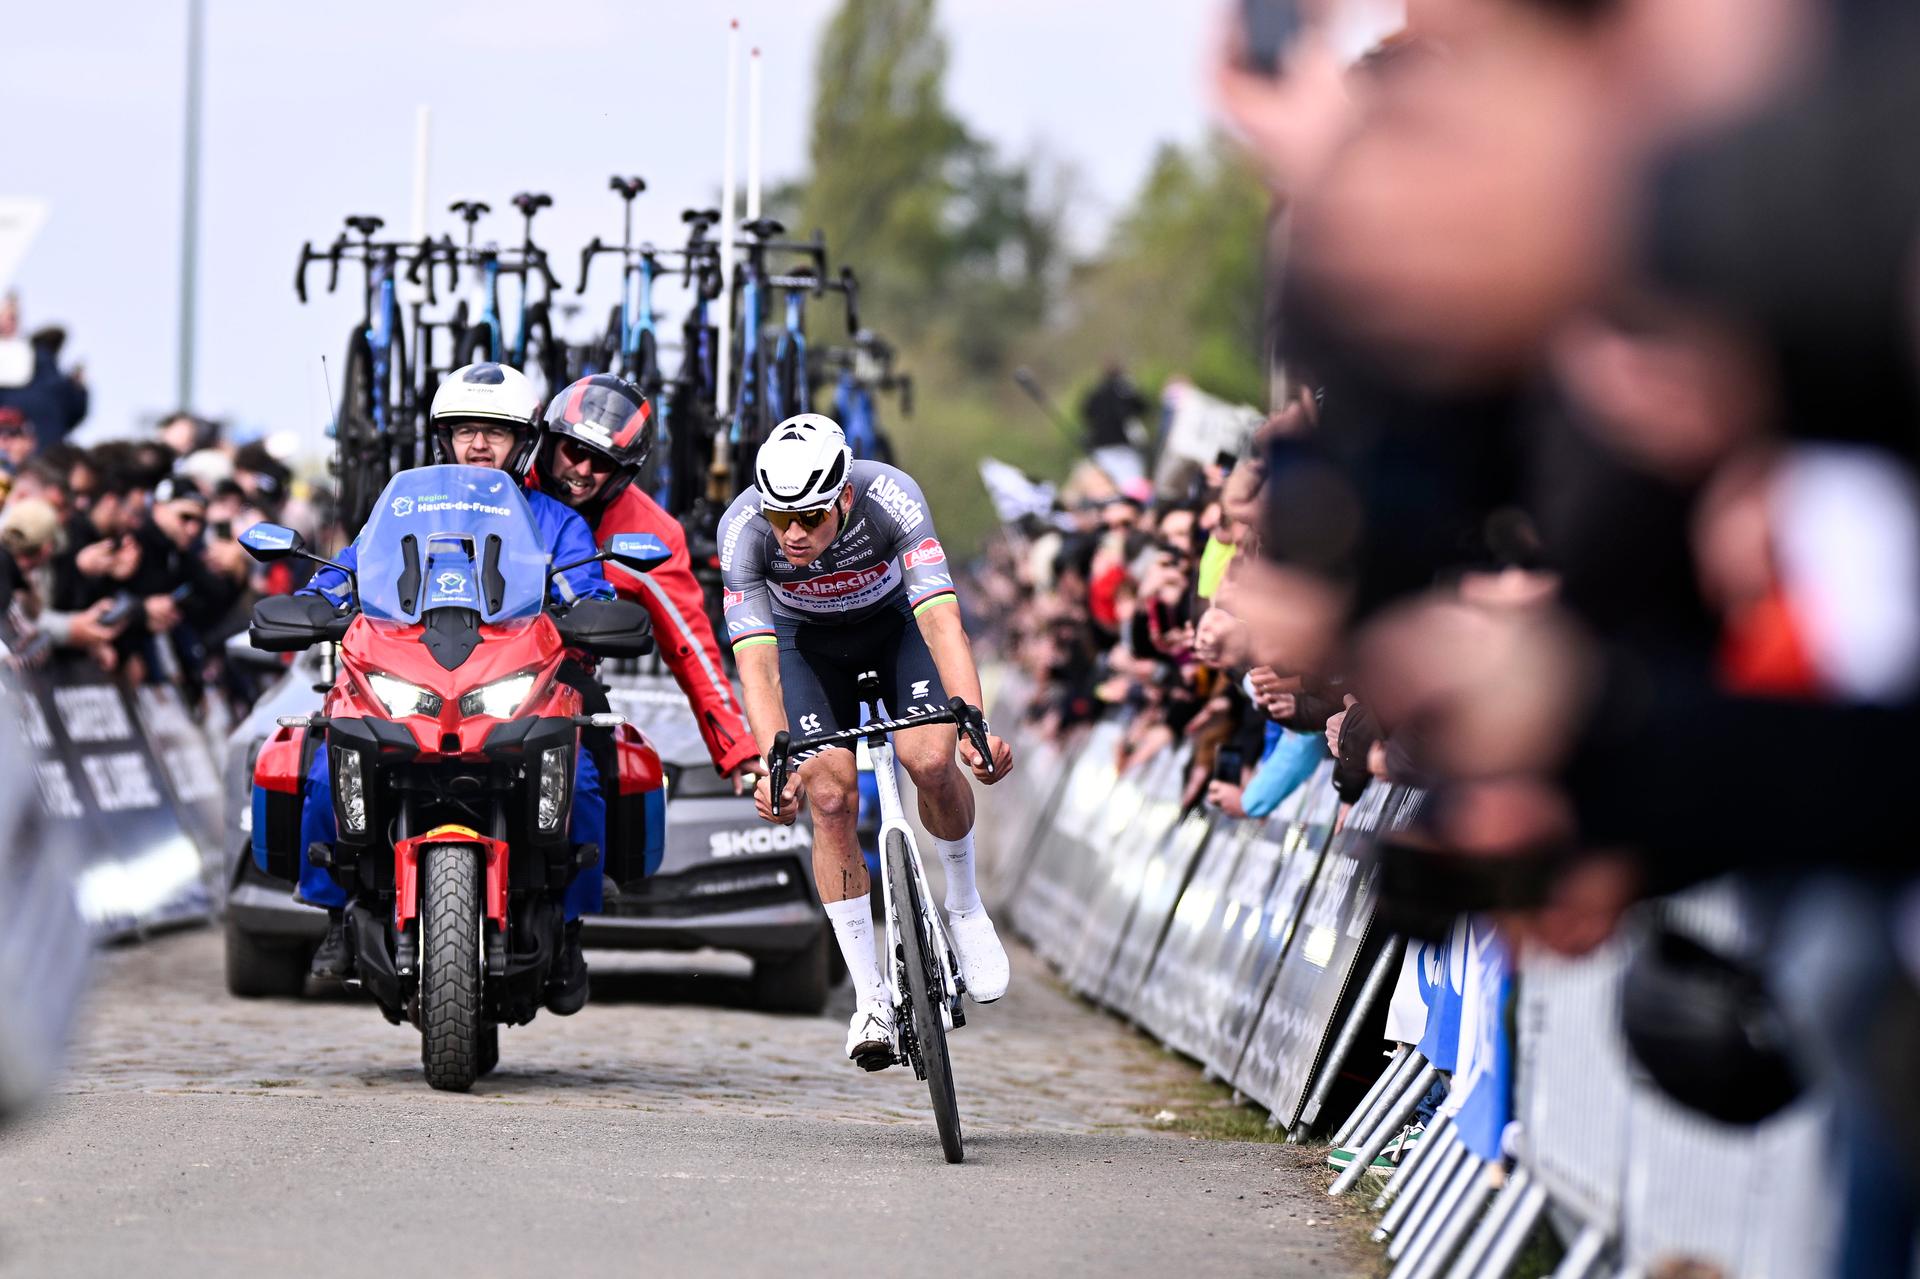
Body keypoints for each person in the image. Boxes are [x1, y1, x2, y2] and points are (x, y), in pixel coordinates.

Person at [298, 364, 613, 1012]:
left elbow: (591, 588)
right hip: (411, 681)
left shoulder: (555, 521)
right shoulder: (402, 507)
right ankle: (335, 911)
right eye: (465, 430)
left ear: (523, 441)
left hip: (515, 682)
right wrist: (315, 601)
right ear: (442, 439)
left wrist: (592, 609)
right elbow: (353, 569)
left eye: (494, 432)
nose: (478, 445)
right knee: (324, 764)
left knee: (582, 777)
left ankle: (572, 925)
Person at [721, 413, 1014, 1067]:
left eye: (811, 518)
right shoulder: (743, 530)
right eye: (780, 519)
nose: (792, 535)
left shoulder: (890, 497)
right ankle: (870, 995)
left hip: (895, 626)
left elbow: (941, 621)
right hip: (807, 649)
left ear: (844, 497)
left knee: (931, 760)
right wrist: (774, 762)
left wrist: (975, 722)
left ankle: (965, 907)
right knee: (828, 796)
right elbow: (759, 664)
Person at [530, 374, 761, 792]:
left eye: (600, 462)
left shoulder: (653, 533)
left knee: (592, 784)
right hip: (469, 675)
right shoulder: (503, 485)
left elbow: (692, 647)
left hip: (562, 690)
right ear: (549, 440)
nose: (581, 470)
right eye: (574, 450)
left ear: (625, 473)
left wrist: (739, 749)